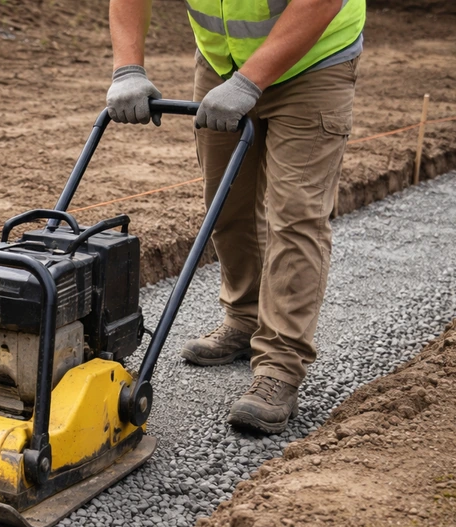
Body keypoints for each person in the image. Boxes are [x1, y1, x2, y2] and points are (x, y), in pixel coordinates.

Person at [107, 0, 364, 434]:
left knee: (295, 219)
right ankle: (245, 319)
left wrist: (251, 81)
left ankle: (280, 367)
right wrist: (127, 69)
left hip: (314, 62)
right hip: (221, 64)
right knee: (226, 204)